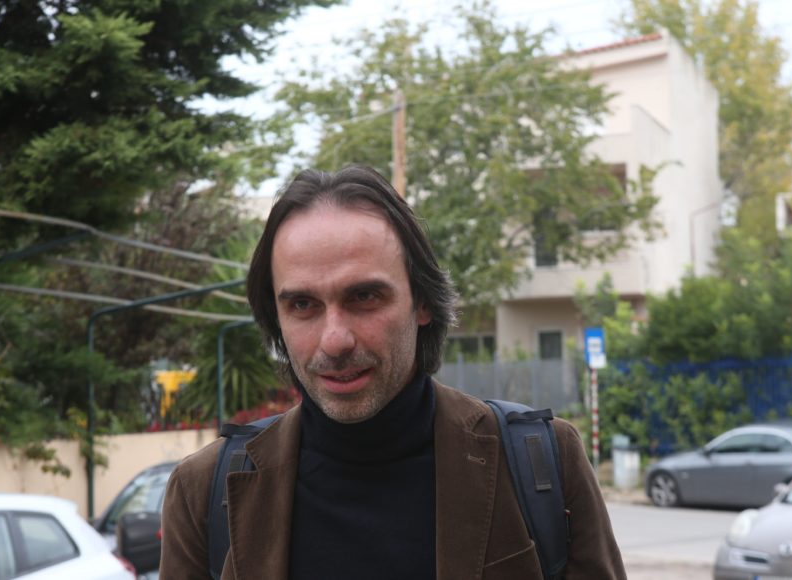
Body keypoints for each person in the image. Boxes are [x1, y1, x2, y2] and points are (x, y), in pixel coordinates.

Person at [159, 165, 626, 579]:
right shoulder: (204, 492)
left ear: (422, 302)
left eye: (364, 297)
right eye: (302, 304)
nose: (335, 340)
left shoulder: (541, 464)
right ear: (276, 317)